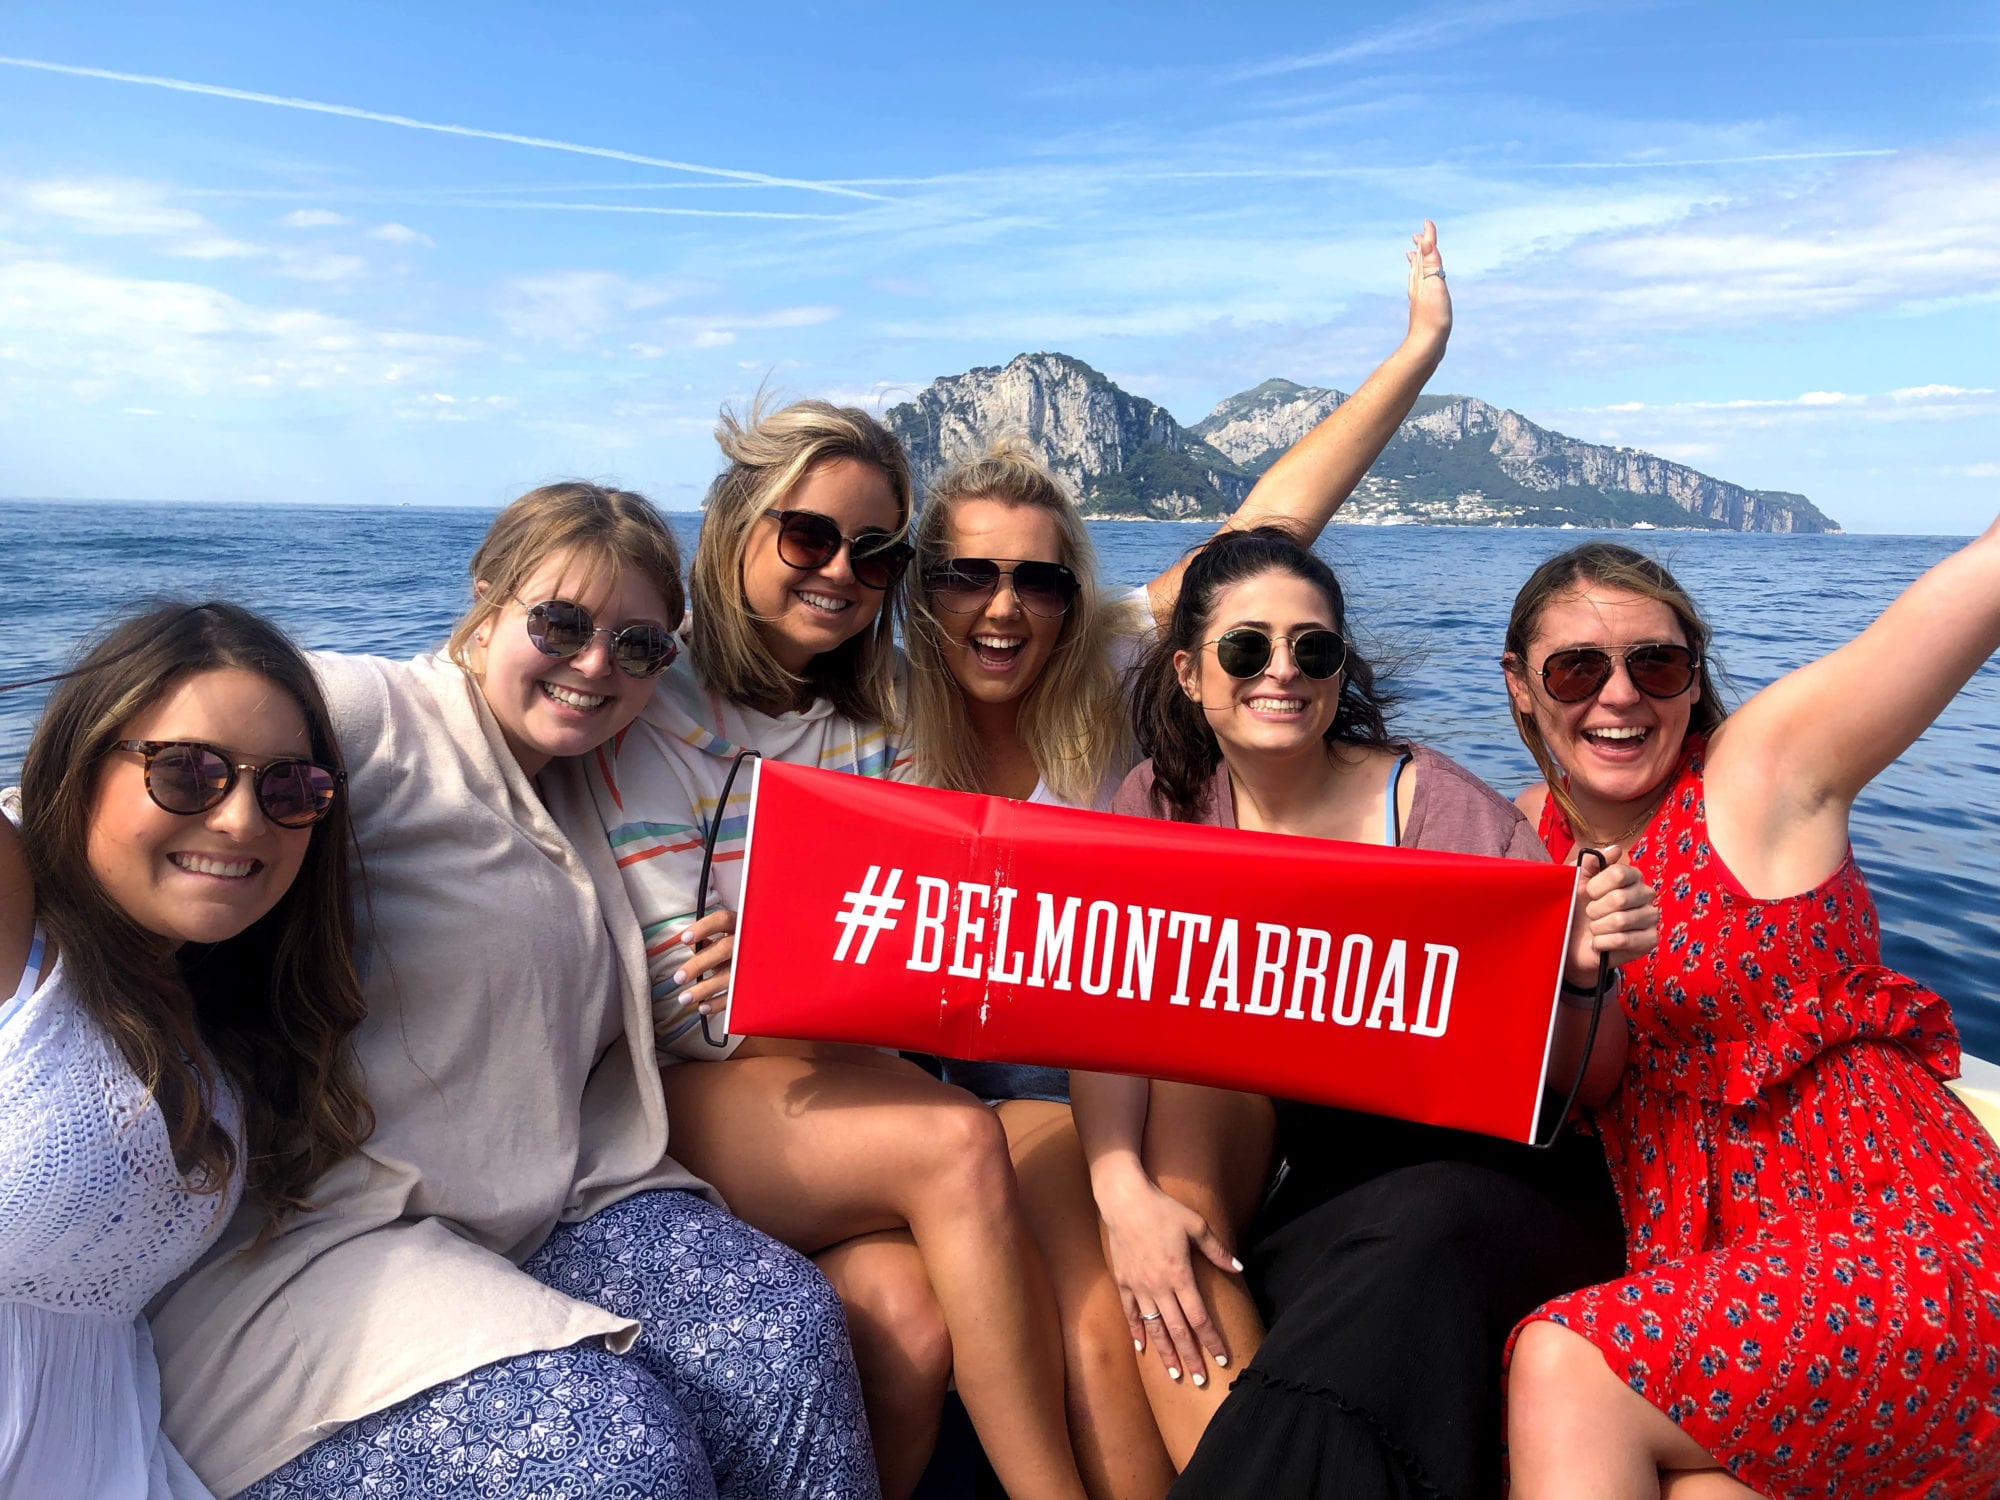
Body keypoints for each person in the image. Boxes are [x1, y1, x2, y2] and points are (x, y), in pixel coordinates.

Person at [148, 484, 880, 1500]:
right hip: (344, 1235)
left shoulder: (596, 772)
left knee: (783, 1330)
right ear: (486, 604)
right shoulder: (369, 716)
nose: (594, 666)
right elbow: (116, 775)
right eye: (560, 624)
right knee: (611, 1452)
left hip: (561, 1200)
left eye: (637, 646)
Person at [896, 224, 1460, 1493]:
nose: (1005, 608)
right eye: (967, 577)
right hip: (970, 1087)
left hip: (1127, 1063)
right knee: (1088, 1325)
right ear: (919, 590)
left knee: (1132, 1298)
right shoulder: (874, 735)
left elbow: (1264, 529)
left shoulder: (1097, 674)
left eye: (1039, 580)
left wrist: (1415, 353)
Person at [581, 413, 1090, 1500]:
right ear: (734, 532)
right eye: (808, 537)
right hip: (686, 1095)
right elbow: (698, 1014)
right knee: (956, 1138)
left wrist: (794, 961)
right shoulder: (639, 700)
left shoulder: (892, 712)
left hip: (838, 1079)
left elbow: (923, 963)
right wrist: (831, 964)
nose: (841, 571)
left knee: (906, 1324)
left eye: (876, 552)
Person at [1107, 527, 1653, 1500]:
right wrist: (1117, 1188)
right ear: (1190, 673)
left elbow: (1591, 1082)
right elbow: (1089, 1008)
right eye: (1245, 648)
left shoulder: (1433, 804)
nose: (1280, 670)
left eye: (1311, 649)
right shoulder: (1158, 805)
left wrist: (1573, 972)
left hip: (1495, 1174)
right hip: (1326, 1179)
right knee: (1266, 1265)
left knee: (1412, 1243)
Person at [1499, 532, 2000, 1500]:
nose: (1617, 696)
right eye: (1574, 668)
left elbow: (1961, 602)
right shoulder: (1524, 835)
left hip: (1893, 1236)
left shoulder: (1758, 771)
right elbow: (1564, 1075)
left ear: (1692, 679)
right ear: (1519, 686)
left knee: (1562, 1366)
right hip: (1725, 1281)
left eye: (1655, 663)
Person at [1, 601, 372, 1499]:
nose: (244, 820)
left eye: (290, 789)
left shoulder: (211, 1021)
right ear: (83, 767)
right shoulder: (22, 939)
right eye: (186, 771)